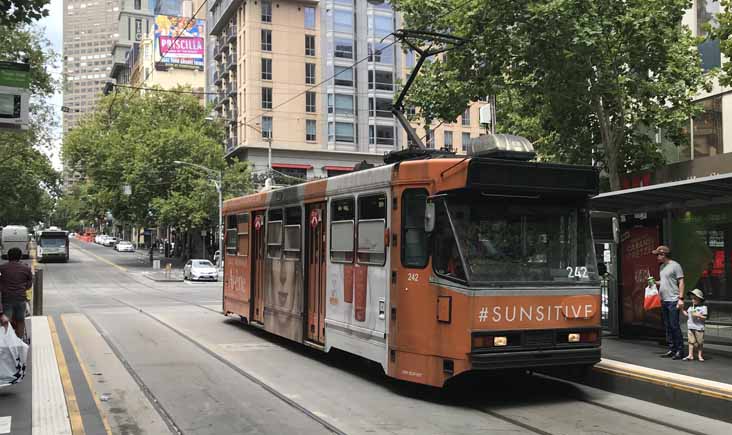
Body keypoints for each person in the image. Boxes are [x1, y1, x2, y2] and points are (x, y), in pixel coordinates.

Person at [652, 245, 686, 360]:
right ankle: (672, 349)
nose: (656, 257)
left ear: (663, 254)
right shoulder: (662, 267)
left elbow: (681, 281)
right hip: (664, 300)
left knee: (674, 325)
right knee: (668, 326)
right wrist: (654, 283)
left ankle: (680, 351)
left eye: (658, 254)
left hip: (673, 300)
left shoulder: (675, 266)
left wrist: (681, 298)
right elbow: (664, 282)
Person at [0, 248, 33, 338]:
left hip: (6, 299)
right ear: (20, 257)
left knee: (6, 320)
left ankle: (7, 339)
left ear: (8, 256)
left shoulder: (2, 268)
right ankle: (20, 339)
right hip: (20, 298)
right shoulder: (26, 268)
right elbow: (29, 285)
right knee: (20, 320)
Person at [682, 289, 707, 362]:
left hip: (699, 328)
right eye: (692, 298)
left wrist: (698, 315)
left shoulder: (703, 308)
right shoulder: (690, 308)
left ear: (700, 299)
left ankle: (699, 355)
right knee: (690, 341)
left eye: (695, 299)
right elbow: (687, 314)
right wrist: (682, 309)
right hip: (691, 327)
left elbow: (705, 317)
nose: (693, 300)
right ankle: (690, 355)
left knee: (700, 342)